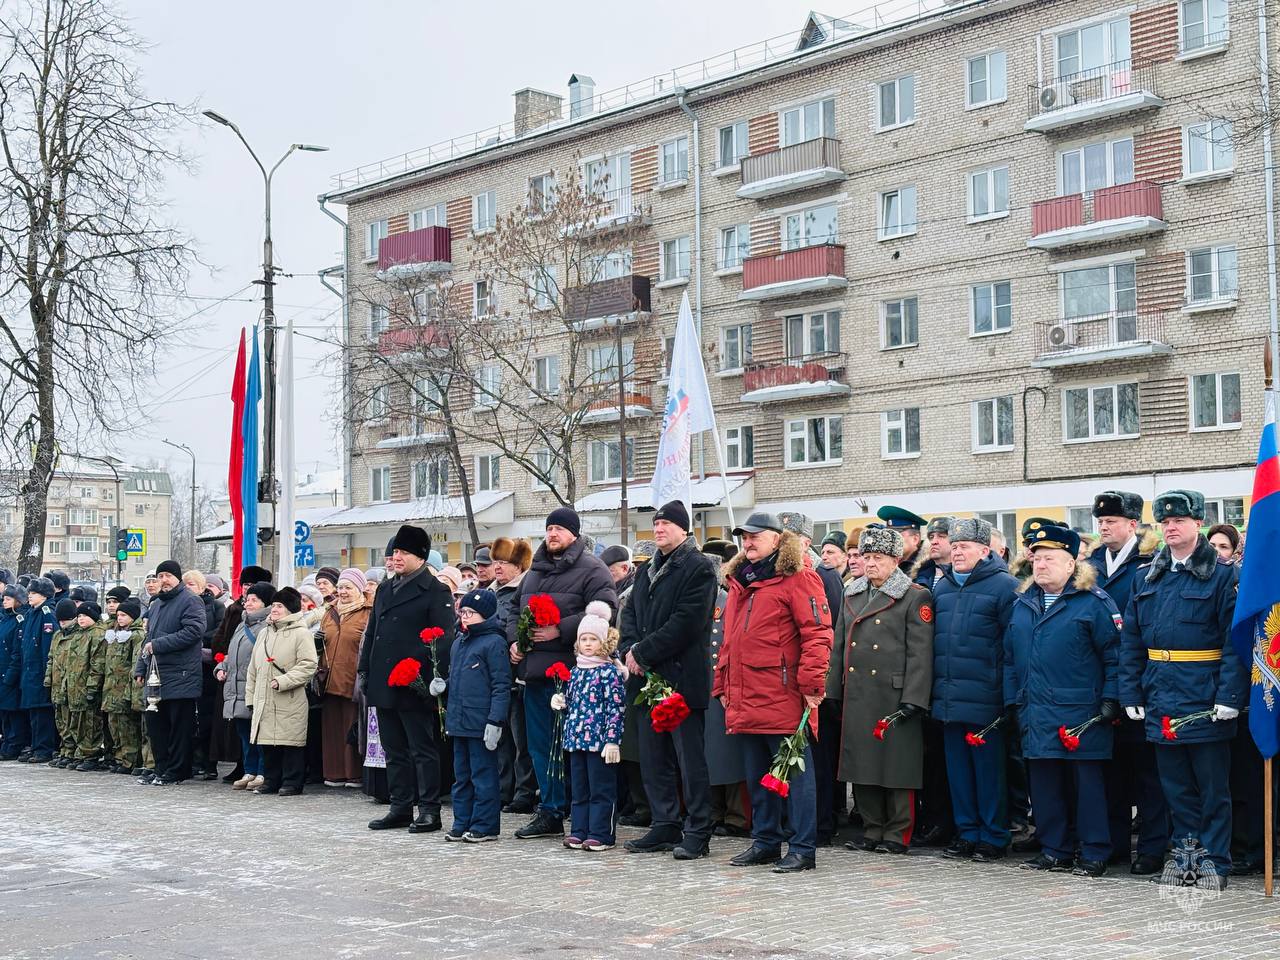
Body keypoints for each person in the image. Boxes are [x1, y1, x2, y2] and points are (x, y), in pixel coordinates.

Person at [1120, 489, 1245, 888]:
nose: (1171, 527)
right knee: (1176, 789)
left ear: (1197, 523)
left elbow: (1234, 643)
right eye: (1165, 522)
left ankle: (1215, 864)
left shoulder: (1223, 576)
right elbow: (1132, 642)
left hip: (1204, 694)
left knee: (1211, 790)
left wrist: (1229, 696)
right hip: (1161, 693)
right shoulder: (1147, 576)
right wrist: (1131, 693)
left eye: (1179, 520)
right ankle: (1186, 861)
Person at [715, 511, 832, 873]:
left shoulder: (799, 578)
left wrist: (812, 685)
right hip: (746, 696)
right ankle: (765, 841)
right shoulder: (739, 581)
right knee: (757, 775)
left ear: (777, 540)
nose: (747, 542)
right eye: (744, 537)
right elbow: (730, 641)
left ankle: (802, 848)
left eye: (755, 536)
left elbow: (818, 633)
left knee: (795, 776)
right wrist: (721, 683)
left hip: (783, 694)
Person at [1005, 523, 1121, 878]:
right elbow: (1010, 657)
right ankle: (1055, 849)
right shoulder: (1023, 603)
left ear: (1071, 564)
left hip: (1081, 713)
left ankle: (1094, 852)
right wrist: (1013, 700)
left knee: (1086, 787)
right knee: (1044, 786)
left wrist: (1111, 699)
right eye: (1037, 558)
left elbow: (1115, 656)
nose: (1040, 565)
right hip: (1035, 709)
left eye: (1050, 559)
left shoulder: (1094, 603)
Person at [507, 507, 617, 840]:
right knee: (542, 747)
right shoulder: (535, 571)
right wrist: (515, 639)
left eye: (559, 529)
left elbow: (606, 611)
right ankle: (551, 810)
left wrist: (562, 630)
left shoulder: (593, 569)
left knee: (578, 749)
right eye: (548, 528)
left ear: (574, 533)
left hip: (576, 678)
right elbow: (513, 608)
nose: (552, 534)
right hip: (536, 674)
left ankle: (585, 816)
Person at [618, 500, 717, 861]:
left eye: (666, 524)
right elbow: (630, 615)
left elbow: (686, 623)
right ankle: (664, 823)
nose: (659, 529)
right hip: (646, 681)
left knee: (689, 760)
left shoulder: (699, 568)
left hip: (681, 680)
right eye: (656, 523)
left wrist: (642, 653)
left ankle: (698, 829)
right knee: (653, 756)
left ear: (683, 529)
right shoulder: (647, 571)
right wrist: (629, 651)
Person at [829, 526, 934, 855]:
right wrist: (833, 690)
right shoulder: (852, 593)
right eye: (866, 556)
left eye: (878, 557)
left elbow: (921, 653)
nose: (870, 563)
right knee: (862, 764)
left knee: (896, 767)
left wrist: (914, 698)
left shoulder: (915, 595)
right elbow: (838, 645)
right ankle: (872, 829)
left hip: (895, 695)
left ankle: (897, 833)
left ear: (896, 560)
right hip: (858, 691)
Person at [1085, 491, 1167, 876]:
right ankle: (1115, 843)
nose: (1104, 527)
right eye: (1100, 522)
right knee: (1111, 768)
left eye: (1112, 521)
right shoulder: (1090, 564)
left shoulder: (1150, 562)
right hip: (1101, 677)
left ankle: (1151, 848)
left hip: (1138, 675)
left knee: (1147, 771)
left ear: (1133, 525)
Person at [930, 519, 1018, 862]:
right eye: (954, 546)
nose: (957, 552)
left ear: (985, 550)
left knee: (988, 774)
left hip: (986, 699)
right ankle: (966, 833)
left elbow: (1012, 648)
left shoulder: (1006, 587)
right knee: (958, 773)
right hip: (950, 698)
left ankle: (993, 836)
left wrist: (1007, 698)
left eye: (964, 546)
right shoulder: (943, 588)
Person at [360, 524, 456, 834]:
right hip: (384, 679)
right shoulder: (387, 588)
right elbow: (372, 632)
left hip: (414, 683)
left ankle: (429, 809)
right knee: (393, 748)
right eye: (395, 552)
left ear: (421, 556)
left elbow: (442, 639)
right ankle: (400, 806)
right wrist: (365, 669)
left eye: (404, 552)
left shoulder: (436, 590)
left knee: (421, 748)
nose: (396, 557)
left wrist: (428, 679)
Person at [439, 589, 510, 842]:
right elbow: (460, 677)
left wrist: (495, 720)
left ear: (486, 615)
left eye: (471, 613)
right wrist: (444, 686)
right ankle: (462, 820)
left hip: (481, 722)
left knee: (483, 775)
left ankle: (485, 824)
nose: (465, 617)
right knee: (462, 776)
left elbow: (501, 685)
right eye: (463, 612)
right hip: (459, 720)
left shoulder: (494, 642)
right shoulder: (459, 642)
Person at [555, 606, 626, 851]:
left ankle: (601, 833)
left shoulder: (608, 672)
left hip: (599, 741)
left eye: (593, 639)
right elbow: (572, 702)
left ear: (603, 643)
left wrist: (612, 739)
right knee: (580, 788)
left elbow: (616, 707)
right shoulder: (575, 671)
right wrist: (561, 702)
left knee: (601, 788)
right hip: (576, 739)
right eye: (583, 639)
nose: (587, 644)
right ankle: (579, 829)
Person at [133, 560, 207, 786]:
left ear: (177, 578)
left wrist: (160, 644)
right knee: (157, 727)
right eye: (159, 576)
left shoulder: (191, 601)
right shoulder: (155, 605)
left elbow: (194, 631)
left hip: (181, 675)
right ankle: (161, 767)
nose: (163, 580)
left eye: (167, 576)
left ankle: (177, 770)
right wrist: (140, 667)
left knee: (179, 728)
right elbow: (148, 639)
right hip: (157, 677)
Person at [246, 587, 318, 795]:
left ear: (290, 609)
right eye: (274, 605)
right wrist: (250, 696)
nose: (275, 609)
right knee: (268, 743)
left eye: (280, 606)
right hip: (264, 696)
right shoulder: (264, 633)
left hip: (290, 696)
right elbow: (254, 668)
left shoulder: (301, 633)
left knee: (290, 742)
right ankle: (271, 780)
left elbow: (308, 665)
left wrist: (284, 681)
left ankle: (292, 782)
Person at [700, 539, 749, 837]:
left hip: (725, 686)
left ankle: (737, 816)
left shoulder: (728, 599)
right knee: (707, 754)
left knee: (730, 756)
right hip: (702, 685)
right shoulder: (698, 600)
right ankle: (713, 811)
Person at [488, 537, 538, 815]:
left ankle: (524, 791)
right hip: (496, 677)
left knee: (521, 739)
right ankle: (503, 789)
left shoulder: (523, 590)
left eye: (504, 562)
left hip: (517, 675)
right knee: (501, 737)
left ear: (519, 566)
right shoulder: (492, 592)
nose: (497, 567)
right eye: (495, 561)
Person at [218, 582, 274, 790]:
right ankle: (249, 770)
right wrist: (221, 667)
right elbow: (232, 654)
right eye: (247, 599)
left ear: (265, 603)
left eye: (254, 600)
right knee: (243, 733)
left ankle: (262, 771)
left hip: (254, 686)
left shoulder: (267, 626)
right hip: (236, 687)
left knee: (259, 732)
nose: (248, 603)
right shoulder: (242, 625)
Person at [320, 568, 370, 787]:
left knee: (352, 727)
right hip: (329, 678)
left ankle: (354, 774)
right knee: (332, 729)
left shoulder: (368, 611)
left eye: (348, 587)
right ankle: (334, 772)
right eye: (340, 587)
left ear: (359, 589)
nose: (342, 592)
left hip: (353, 679)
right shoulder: (329, 612)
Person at [183, 569, 224, 781]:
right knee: (187, 718)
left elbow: (219, 632)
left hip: (207, 670)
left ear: (201, 587)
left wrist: (195, 640)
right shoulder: (180, 605)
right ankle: (190, 761)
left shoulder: (216, 606)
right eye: (186, 584)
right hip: (185, 670)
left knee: (207, 718)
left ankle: (209, 763)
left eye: (192, 584)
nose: (188, 588)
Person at [102, 598, 146, 775]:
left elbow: (134, 665)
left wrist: (131, 691)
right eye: (118, 615)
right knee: (115, 726)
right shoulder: (113, 635)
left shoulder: (136, 636)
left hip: (125, 689)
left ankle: (131, 760)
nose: (119, 618)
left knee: (128, 727)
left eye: (124, 615)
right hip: (111, 689)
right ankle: (120, 757)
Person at [19, 578, 58, 763]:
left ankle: (44, 748)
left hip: (39, 671)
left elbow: (47, 648)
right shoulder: (31, 614)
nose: (29, 596)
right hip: (30, 670)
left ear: (44, 595)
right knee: (33, 711)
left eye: (33, 593)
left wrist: (46, 674)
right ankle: (36, 746)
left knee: (42, 712)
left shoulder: (47, 614)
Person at [67, 601, 107, 771]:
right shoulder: (78, 634)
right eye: (79, 616)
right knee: (77, 721)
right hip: (75, 685)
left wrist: (92, 687)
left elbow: (97, 663)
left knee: (90, 722)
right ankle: (81, 752)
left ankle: (91, 753)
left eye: (84, 616)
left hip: (88, 686)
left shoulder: (97, 634)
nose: (81, 619)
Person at [44, 598, 79, 767]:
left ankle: (74, 751)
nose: (62, 622)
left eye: (66, 619)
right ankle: (66, 750)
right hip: (57, 684)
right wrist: (48, 679)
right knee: (61, 720)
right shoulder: (58, 635)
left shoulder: (78, 635)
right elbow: (51, 659)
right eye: (60, 620)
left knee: (72, 720)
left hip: (71, 684)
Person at [0, 584, 30, 760]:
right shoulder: (5, 619)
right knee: (4, 712)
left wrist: (11, 674)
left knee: (13, 712)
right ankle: (7, 743)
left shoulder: (19, 620)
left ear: (18, 601)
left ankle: (14, 744)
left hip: (11, 674)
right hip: (2, 672)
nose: (4, 601)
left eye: (8, 599)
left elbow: (17, 651)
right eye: (4, 598)